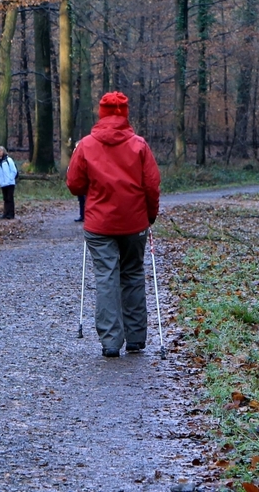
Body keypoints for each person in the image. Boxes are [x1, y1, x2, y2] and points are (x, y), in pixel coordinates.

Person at [66, 91, 161, 357]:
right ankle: (135, 338)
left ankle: (110, 342)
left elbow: (74, 185)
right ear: (125, 113)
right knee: (132, 274)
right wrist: (149, 216)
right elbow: (152, 186)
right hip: (134, 223)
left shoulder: (86, 145)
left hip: (99, 225)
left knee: (106, 278)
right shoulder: (139, 145)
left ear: (101, 113)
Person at [0, 146, 18, 219]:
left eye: (0, 151)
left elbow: (14, 170)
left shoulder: (9, 160)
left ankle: (11, 214)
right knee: (5, 199)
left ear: (4, 151)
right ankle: (5, 213)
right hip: (3, 184)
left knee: (10, 198)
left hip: (10, 183)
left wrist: (10, 179)